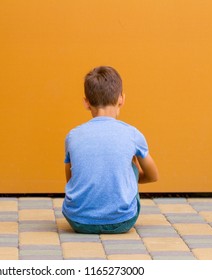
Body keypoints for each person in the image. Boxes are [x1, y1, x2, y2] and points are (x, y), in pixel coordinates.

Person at [62, 66, 159, 234]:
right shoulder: (132, 134)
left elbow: (71, 179)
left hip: (77, 220)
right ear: (121, 98)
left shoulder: (73, 135)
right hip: (122, 221)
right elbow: (153, 176)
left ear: (86, 102)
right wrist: (126, 175)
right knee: (133, 160)